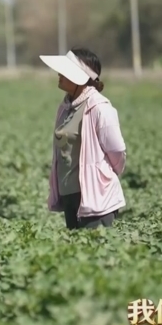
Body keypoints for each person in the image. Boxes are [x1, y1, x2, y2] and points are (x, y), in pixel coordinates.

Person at [39, 48, 127, 229]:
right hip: (69, 195)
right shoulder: (65, 107)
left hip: (96, 197)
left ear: (79, 77)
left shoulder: (100, 108)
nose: (59, 74)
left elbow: (117, 151)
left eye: (65, 71)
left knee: (96, 253)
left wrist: (102, 175)